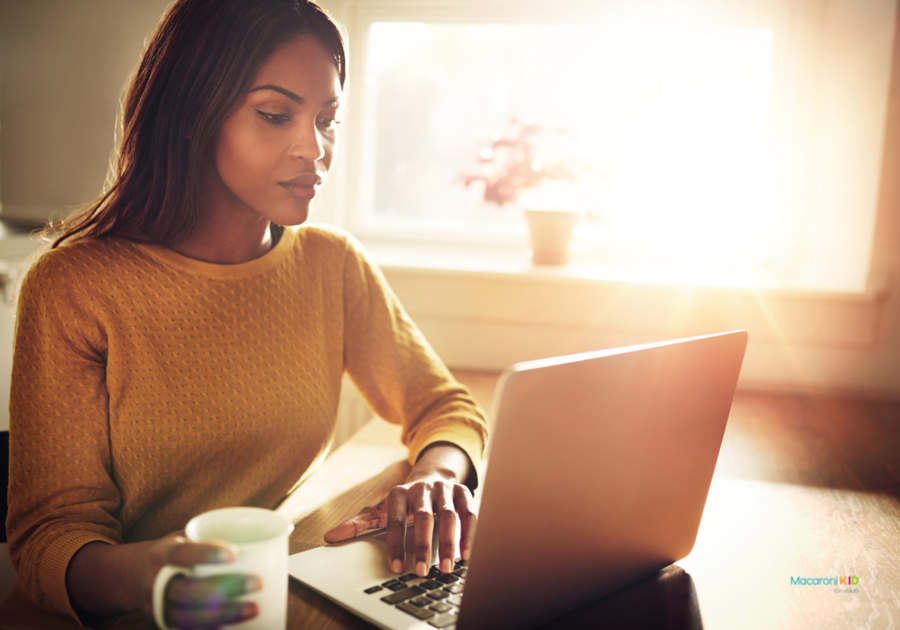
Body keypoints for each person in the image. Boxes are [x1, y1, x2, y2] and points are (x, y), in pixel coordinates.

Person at [0, 1, 489, 628]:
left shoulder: (331, 265)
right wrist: (151, 577)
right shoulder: (74, 288)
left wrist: (438, 477)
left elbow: (445, 407)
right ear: (193, 114)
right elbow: (49, 539)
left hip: (269, 594)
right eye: (275, 115)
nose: (315, 148)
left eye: (328, 119)